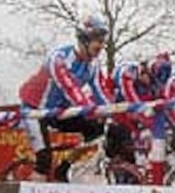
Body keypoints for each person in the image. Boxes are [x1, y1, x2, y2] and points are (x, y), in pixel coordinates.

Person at [19, 15, 111, 179]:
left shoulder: (94, 64)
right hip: (35, 110)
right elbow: (71, 89)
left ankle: (65, 167)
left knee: (95, 130)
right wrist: (92, 110)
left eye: (103, 41)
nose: (101, 45)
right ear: (84, 39)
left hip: (58, 112)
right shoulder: (59, 58)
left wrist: (113, 112)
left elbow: (100, 91)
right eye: (98, 40)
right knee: (44, 161)